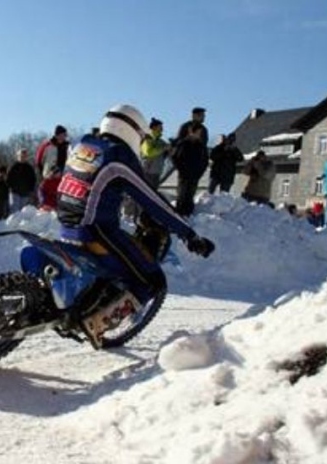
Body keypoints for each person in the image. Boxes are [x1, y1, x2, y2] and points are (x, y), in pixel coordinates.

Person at [55, 104, 214, 335]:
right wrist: (189, 234)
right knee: (152, 279)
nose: (140, 141)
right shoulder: (118, 156)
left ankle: (86, 304)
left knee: (120, 261)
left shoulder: (83, 144)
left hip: (66, 222)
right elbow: (151, 199)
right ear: (131, 130)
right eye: (141, 136)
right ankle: (94, 324)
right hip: (95, 229)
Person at [172, 107, 209, 216]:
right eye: (201, 115)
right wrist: (188, 138)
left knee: (191, 192)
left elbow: (203, 146)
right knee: (182, 192)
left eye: (203, 115)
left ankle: (188, 214)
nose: (203, 117)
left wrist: (198, 139)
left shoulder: (204, 129)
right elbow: (177, 144)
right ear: (194, 115)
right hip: (184, 165)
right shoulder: (185, 127)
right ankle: (179, 214)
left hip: (196, 166)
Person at [35, 125, 69, 209]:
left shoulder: (68, 146)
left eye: (65, 135)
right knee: (45, 191)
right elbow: (38, 160)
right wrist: (42, 172)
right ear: (57, 135)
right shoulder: (47, 145)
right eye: (62, 135)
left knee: (60, 194)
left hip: (63, 174)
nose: (64, 137)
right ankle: (44, 208)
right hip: (49, 173)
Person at [139, 118, 170, 189]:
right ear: (154, 127)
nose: (162, 129)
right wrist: (163, 149)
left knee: (153, 192)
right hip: (148, 171)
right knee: (147, 191)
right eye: (160, 127)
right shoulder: (147, 138)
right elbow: (148, 153)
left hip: (157, 171)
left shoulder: (161, 141)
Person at [6, 148, 37, 214]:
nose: (23, 158)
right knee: (14, 210)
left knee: (23, 211)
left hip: (25, 193)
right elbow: (8, 178)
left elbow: (33, 179)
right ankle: (13, 223)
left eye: (25, 156)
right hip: (15, 192)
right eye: (21, 156)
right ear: (18, 156)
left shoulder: (29, 168)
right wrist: (11, 187)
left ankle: (21, 224)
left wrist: (31, 189)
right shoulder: (13, 167)